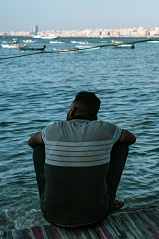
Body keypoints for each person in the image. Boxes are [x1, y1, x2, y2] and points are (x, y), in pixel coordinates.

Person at [28, 91, 136, 228]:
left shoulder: (52, 129)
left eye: (69, 108)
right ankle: (109, 200)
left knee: (39, 146)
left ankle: (51, 199)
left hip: (52, 215)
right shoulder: (107, 128)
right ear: (95, 116)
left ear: (72, 110)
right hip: (98, 215)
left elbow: (31, 142)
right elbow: (131, 138)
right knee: (121, 145)